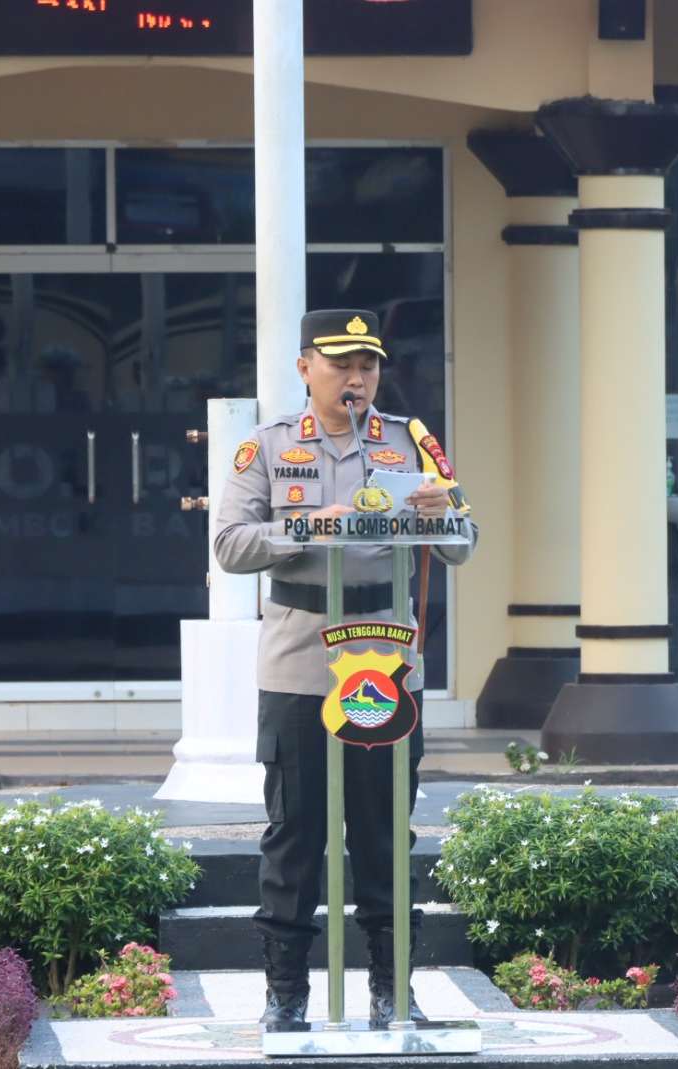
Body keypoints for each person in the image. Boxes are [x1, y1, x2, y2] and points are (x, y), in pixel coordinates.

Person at [214, 308, 477, 1029]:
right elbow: (230, 545)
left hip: (386, 665)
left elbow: (464, 543)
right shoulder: (266, 448)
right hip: (302, 663)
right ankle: (286, 995)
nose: (356, 378)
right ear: (306, 369)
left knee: (386, 831)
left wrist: (440, 509)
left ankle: (394, 990)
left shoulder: (409, 441)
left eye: (367, 365)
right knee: (296, 834)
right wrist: (306, 526)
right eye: (340, 365)